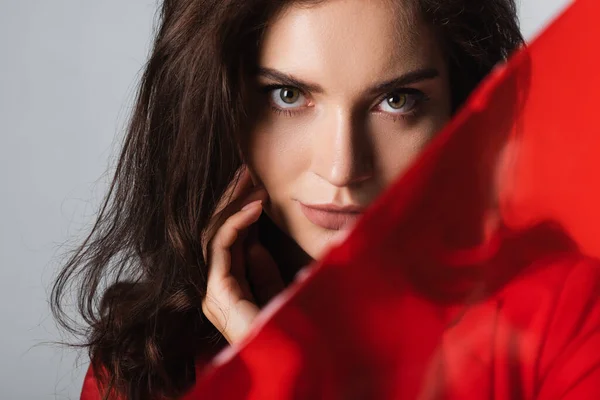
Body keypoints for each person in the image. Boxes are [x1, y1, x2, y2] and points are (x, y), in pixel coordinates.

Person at [52, 0, 527, 398]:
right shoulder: (148, 362)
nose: (342, 168)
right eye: (288, 95)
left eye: (397, 100)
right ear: (221, 106)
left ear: (462, 108)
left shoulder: (559, 319)